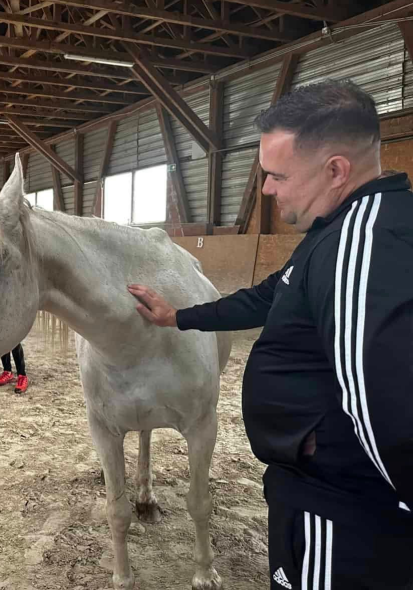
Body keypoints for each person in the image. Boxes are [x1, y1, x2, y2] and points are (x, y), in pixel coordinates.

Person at [128, 80, 413, 590]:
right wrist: (179, 317)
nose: (266, 189)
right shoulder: (339, 229)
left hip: (342, 514)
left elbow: (389, 411)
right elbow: (266, 297)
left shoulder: (360, 246)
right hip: (320, 494)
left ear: (335, 171)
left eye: (277, 175)